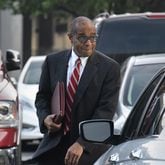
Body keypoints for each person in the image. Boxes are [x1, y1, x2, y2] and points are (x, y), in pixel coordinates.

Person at [32, 16, 120, 165]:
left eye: (93, 37)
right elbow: (42, 97)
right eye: (82, 38)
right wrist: (45, 118)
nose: (88, 43)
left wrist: (82, 143)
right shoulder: (52, 62)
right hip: (54, 145)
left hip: (89, 150)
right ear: (70, 38)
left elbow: (105, 111)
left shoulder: (109, 68)